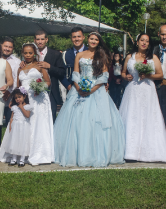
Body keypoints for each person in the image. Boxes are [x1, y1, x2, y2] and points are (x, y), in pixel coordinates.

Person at [53, 32, 126, 167]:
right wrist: (79, 88)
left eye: (96, 39)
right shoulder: (80, 55)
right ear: (88, 39)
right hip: (79, 90)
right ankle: (76, 154)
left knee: (96, 122)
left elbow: (104, 76)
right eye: (91, 39)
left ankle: (95, 154)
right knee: (76, 122)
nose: (93, 41)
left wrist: (91, 90)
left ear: (99, 42)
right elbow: (75, 74)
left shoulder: (102, 55)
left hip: (96, 90)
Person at [120, 34, 166, 163]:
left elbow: (160, 75)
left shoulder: (153, 57)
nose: (144, 43)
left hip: (148, 90)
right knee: (132, 117)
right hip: (133, 90)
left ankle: (147, 150)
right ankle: (130, 151)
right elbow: (123, 72)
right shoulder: (129, 57)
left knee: (147, 117)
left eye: (147, 41)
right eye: (142, 40)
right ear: (137, 42)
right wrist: (125, 76)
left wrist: (149, 75)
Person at [14, 43, 54, 165]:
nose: (27, 55)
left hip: (38, 98)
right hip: (25, 99)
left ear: (34, 53)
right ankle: (24, 152)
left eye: (30, 53)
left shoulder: (40, 66)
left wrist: (40, 87)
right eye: (25, 53)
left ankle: (40, 152)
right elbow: (18, 86)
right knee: (26, 124)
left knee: (38, 124)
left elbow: (48, 82)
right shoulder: (20, 68)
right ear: (22, 53)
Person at [33, 30, 66, 122]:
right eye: (38, 39)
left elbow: (62, 72)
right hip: (34, 92)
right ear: (34, 40)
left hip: (51, 92)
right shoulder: (30, 54)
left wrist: (50, 67)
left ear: (46, 40)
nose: (40, 41)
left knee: (51, 119)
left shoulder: (56, 54)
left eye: (42, 39)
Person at [0, 37, 22, 152]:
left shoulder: (16, 61)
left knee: (10, 123)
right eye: (5, 46)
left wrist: (11, 94)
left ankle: (10, 149)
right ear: (1, 46)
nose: (7, 49)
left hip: (10, 97)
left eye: (10, 47)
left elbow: (17, 80)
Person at [0, 88, 33, 167]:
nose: (17, 99)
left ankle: (22, 160)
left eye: (19, 97)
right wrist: (10, 126)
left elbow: (27, 115)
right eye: (16, 98)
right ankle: (14, 159)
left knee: (23, 143)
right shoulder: (14, 107)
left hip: (24, 127)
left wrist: (21, 107)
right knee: (14, 142)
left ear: (24, 96)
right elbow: (11, 118)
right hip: (15, 127)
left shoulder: (27, 107)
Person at [61, 27, 88, 93]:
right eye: (74, 37)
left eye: (79, 36)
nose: (76, 39)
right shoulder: (66, 54)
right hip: (71, 90)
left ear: (83, 37)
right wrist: (68, 86)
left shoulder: (90, 52)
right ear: (71, 38)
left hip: (88, 89)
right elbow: (61, 73)